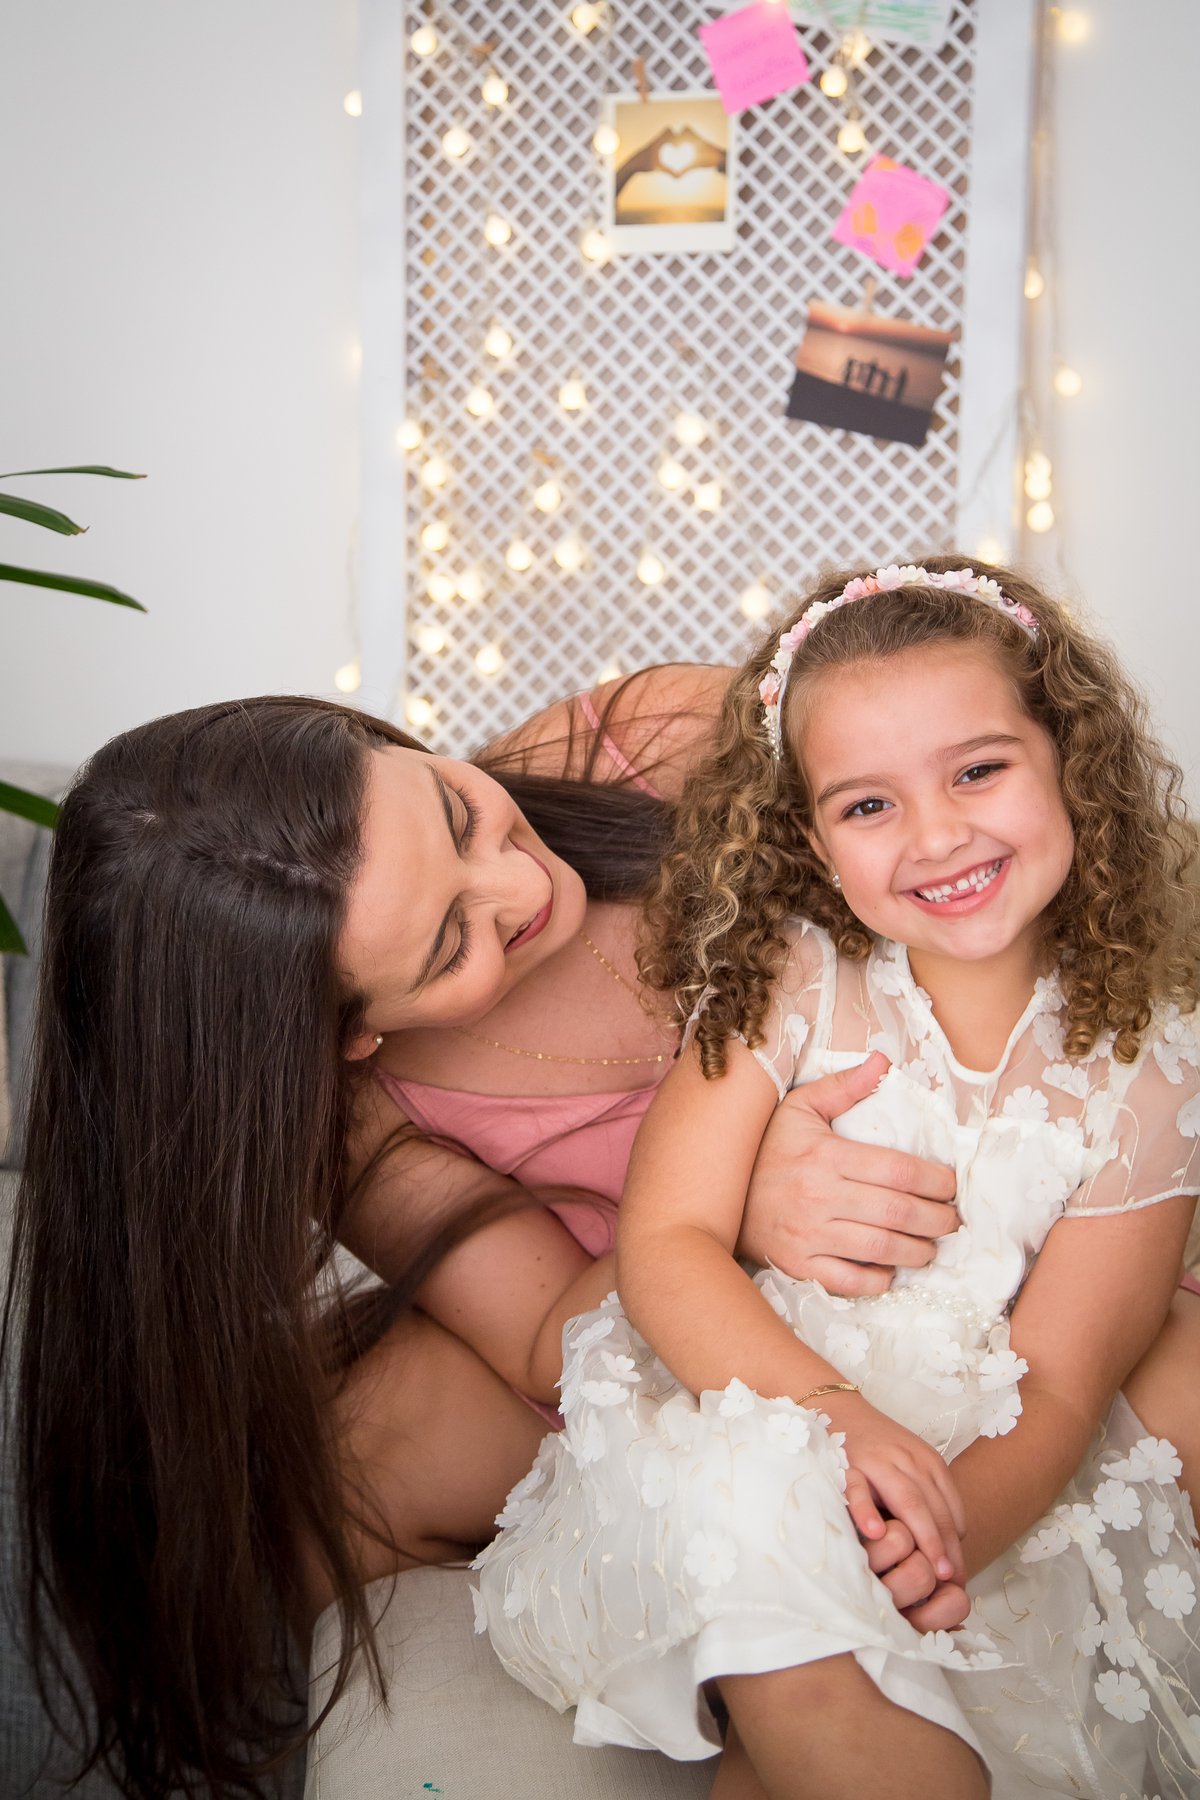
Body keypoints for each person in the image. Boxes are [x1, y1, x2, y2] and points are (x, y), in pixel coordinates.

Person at [5, 671, 984, 1799]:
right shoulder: (356, 1116)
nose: (522, 883)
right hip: (679, 1316)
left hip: (964, 1208)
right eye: (444, 949)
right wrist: (728, 1203)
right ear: (353, 1034)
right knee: (341, 1456)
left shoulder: (650, 739)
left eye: (457, 813)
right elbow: (541, 1335)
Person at [474, 561, 1200, 1800]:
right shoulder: (792, 980)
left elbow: (1068, 1380)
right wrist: (836, 1419)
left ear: (1071, 764)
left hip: (978, 1468)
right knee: (778, 1592)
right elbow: (669, 1242)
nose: (937, 835)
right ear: (812, 840)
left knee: (873, 1694)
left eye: (978, 771)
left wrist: (936, 1537)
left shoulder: (1152, 1066)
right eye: (869, 804)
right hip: (757, 1409)